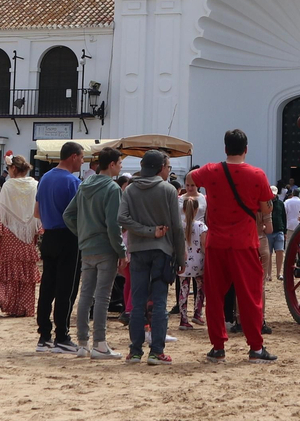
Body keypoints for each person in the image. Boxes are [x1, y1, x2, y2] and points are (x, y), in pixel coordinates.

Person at [190, 128, 277, 364]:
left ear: (225, 148)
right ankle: (256, 348)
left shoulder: (210, 170)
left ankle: (218, 347)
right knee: (250, 296)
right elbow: (266, 208)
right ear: (246, 150)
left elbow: (191, 178)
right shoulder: (257, 174)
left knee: (215, 297)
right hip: (244, 242)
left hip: (216, 242)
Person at [120, 150, 187, 365]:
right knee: (159, 302)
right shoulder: (168, 190)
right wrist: (180, 256)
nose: (169, 170)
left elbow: (122, 218)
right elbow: (176, 226)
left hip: (138, 250)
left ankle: (135, 350)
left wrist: (145, 231)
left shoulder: (130, 190)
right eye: (167, 166)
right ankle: (156, 351)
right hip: (163, 251)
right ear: (160, 168)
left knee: (137, 302)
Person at [64, 146, 124, 359]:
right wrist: (122, 251)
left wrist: (82, 233)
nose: (121, 166)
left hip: (87, 247)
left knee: (86, 295)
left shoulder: (84, 185)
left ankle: (82, 344)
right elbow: (113, 226)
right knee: (102, 297)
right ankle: (99, 343)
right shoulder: (112, 189)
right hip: (105, 248)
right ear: (112, 164)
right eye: (119, 163)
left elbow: (68, 215)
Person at [35, 141, 84, 353]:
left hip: (48, 235)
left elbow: (36, 212)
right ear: (73, 156)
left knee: (47, 286)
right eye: (81, 158)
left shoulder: (45, 178)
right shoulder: (73, 181)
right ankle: (62, 336)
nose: (82, 162)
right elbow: (80, 213)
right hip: (68, 236)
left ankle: (44, 335)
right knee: (67, 288)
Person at [0, 155, 41, 317]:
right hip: (28, 232)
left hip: (9, 231)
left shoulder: (8, 186)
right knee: (26, 270)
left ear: (14, 169)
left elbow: (1, 210)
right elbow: (37, 209)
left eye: (8, 169)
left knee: (6, 267)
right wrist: (36, 229)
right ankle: (23, 306)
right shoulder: (35, 185)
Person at [176, 177, 206, 330]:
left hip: (184, 259)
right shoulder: (201, 225)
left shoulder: (179, 226)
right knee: (201, 287)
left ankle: (183, 318)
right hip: (198, 260)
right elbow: (204, 244)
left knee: (184, 289)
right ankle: (197, 312)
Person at [268, 188, 287, 282]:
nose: (273, 196)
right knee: (269, 253)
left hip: (279, 230)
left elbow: (284, 216)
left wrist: (285, 231)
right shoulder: (266, 203)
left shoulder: (280, 204)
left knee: (280, 252)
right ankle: (269, 274)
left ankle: (279, 273)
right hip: (268, 231)